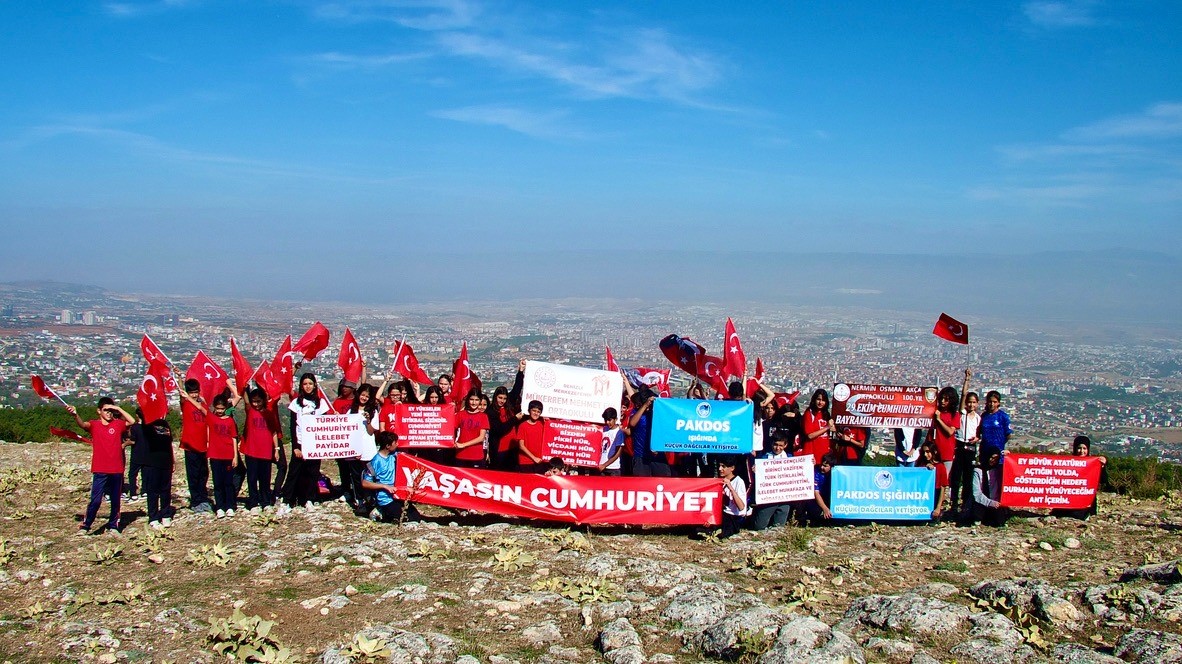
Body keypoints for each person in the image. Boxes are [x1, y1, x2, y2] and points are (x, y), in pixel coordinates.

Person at [68, 398, 135, 535]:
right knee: (96, 499)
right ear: (99, 411)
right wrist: (75, 415)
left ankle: (113, 525)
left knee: (116, 499)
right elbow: (83, 425)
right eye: (106, 410)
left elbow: (133, 421)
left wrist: (119, 409)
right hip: (100, 468)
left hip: (116, 468)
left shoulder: (118, 424)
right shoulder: (95, 424)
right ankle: (86, 525)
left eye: (111, 410)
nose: (109, 413)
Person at [284, 372, 329, 509]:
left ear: (315, 385)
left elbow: (325, 424)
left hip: (315, 444)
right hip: (300, 442)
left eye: (310, 383)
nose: (308, 386)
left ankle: (309, 498)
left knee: (312, 471)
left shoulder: (321, 403)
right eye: (305, 384)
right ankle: (287, 500)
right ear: (301, 386)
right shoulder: (296, 403)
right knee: (294, 471)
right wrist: (295, 447)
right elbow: (293, 426)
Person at [132, 409, 175, 528]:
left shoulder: (165, 425)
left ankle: (165, 514)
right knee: (153, 491)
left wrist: (173, 460)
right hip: (151, 463)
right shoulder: (147, 425)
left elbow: (169, 444)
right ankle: (154, 517)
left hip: (165, 462)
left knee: (165, 490)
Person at [240, 387, 279, 511]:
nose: (256, 404)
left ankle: (265, 501)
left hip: (266, 451)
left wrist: (276, 449)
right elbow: (246, 402)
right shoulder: (250, 411)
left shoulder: (269, 414)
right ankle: (253, 502)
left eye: (258, 401)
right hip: (251, 451)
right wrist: (244, 389)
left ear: (263, 400)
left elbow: (273, 432)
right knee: (252, 478)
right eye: (254, 401)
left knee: (265, 478)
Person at [1051, 435, 1108, 520]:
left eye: (1084, 448)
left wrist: (1102, 466)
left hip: (1085, 501)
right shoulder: (1068, 463)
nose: (1081, 451)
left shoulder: (1093, 464)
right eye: (1079, 448)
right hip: (1068, 499)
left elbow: (1103, 481)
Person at [361, 431, 412, 523]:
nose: (397, 444)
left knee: (415, 517)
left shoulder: (394, 456)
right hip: (385, 498)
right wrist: (385, 486)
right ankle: (379, 510)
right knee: (404, 519)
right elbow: (365, 483)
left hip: (397, 495)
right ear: (388, 446)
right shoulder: (375, 462)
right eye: (395, 442)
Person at [177, 378, 212, 512]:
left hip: (202, 444)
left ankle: (203, 498)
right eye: (192, 393)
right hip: (190, 444)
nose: (194, 395)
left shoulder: (202, 404)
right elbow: (181, 394)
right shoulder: (186, 404)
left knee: (203, 473)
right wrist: (180, 379)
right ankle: (196, 500)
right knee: (193, 474)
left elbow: (207, 415)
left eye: (196, 392)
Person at [950, 369, 980, 517]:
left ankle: (965, 505)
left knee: (968, 478)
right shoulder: (962, 414)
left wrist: (977, 439)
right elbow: (962, 395)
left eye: (974, 402)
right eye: (969, 402)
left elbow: (980, 433)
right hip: (960, 446)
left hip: (971, 449)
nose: (971, 405)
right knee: (956, 477)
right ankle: (953, 504)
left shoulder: (978, 418)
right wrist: (966, 380)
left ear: (977, 404)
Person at [207, 394, 241, 518]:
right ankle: (220, 507)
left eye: (222, 408)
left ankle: (230, 506)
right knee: (218, 482)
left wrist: (235, 456)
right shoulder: (211, 418)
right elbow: (201, 407)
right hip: (215, 456)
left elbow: (233, 438)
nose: (220, 411)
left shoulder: (230, 421)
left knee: (228, 482)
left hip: (228, 456)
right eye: (218, 408)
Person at [751, 433, 793, 530]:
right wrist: (756, 470)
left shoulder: (790, 458)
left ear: (785, 445)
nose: (777, 448)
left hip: (784, 498)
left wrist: (810, 463)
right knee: (759, 527)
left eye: (781, 445)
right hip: (769, 498)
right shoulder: (764, 457)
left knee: (778, 527)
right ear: (771, 444)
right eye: (775, 444)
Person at [970, 445, 1007, 527]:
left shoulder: (998, 470)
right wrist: (990, 502)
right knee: (978, 509)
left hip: (996, 502)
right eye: (992, 458)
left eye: (996, 459)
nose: (993, 461)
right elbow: (976, 493)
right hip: (982, 501)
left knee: (1000, 521)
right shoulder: (977, 471)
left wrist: (1008, 457)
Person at [929, 386, 961, 476]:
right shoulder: (934, 411)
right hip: (933, 450)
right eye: (941, 398)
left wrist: (939, 420)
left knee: (944, 478)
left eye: (946, 399)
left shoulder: (955, 415)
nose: (943, 401)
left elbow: (950, 432)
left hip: (947, 451)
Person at [454, 389, 490, 468]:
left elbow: (481, 438)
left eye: (476, 400)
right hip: (461, 455)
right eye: (471, 399)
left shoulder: (483, 416)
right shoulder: (460, 414)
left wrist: (463, 445)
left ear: (480, 400)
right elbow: (451, 430)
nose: (474, 403)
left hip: (476, 456)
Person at [796, 455, 834, 526]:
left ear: (831, 467)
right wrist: (825, 508)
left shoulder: (835, 474)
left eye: (825, 466)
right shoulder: (816, 472)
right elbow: (816, 493)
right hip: (815, 500)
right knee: (815, 511)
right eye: (821, 465)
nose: (822, 467)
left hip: (829, 498)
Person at [917, 441, 949, 520]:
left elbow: (942, 488)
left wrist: (938, 508)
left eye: (928, 452)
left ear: (934, 452)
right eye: (924, 452)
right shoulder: (921, 464)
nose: (925, 455)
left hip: (935, 494)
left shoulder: (940, 467)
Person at [513, 400, 548, 473]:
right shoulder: (522, 426)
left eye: (538, 412)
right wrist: (534, 458)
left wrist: (549, 421)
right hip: (526, 461)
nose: (536, 413)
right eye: (534, 411)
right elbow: (521, 446)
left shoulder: (543, 424)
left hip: (540, 460)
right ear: (529, 411)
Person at [801, 389, 834, 466]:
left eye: (823, 400)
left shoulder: (826, 414)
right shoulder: (809, 413)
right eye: (818, 399)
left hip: (824, 455)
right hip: (812, 454)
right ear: (814, 399)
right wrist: (827, 427)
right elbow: (810, 435)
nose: (820, 402)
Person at [718, 455, 749, 538]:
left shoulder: (739, 482)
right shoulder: (719, 480)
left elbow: (741, 507)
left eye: (723, 466)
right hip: (722, 514)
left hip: (733, 516)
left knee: (721, 533)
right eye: (719, 466)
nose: (720, 469)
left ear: (732, 468)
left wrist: (730, 488)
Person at [597, 407, 625, 476]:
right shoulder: (602, 429)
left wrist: (605, 465)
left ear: (615, 419)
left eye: (609, 420)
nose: (607, 422)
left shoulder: (619, 432)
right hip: (601, 466)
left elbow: (618, 453)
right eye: (606, 420)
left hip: (613, 468)